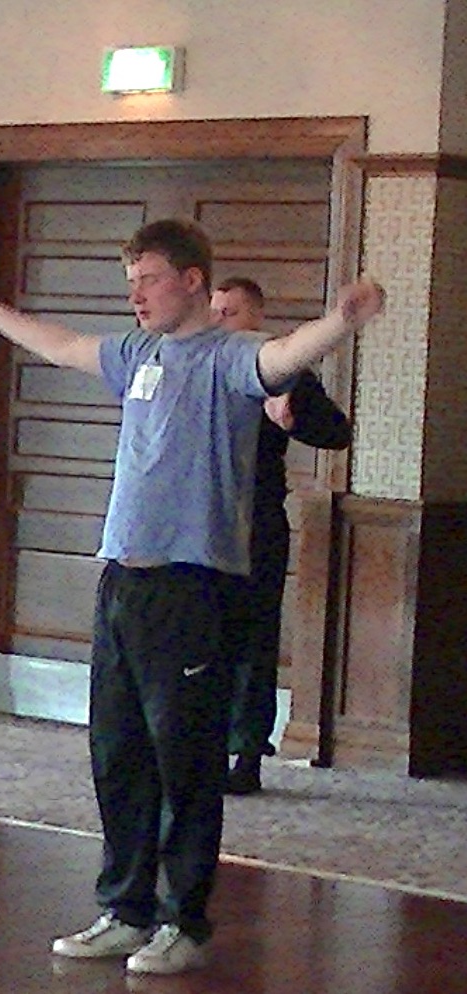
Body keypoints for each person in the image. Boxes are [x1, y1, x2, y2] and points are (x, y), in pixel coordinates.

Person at [0, 219, 383, 976]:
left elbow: (284, 357)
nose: (135, 296)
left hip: (190, 585)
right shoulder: (136, 354)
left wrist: (340, 321)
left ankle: (184, 921)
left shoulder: (231, 356)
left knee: (185, 761)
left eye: (147, 280)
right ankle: (124, 909)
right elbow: (61, 344)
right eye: (130, 282)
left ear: (191, 281)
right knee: (117, 754)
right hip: (122, 579)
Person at [210, 277, 350, 795]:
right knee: (202, 637)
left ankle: (247, 753)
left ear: (255, 317)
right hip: (202, 523)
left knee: (253, 639)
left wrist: (291, 421)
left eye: (229, 312)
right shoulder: (205, 365)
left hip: (258, 525)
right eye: (214, 311)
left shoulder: (280, 371)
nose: (219, 320)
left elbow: (336, 432)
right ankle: (198, 747)